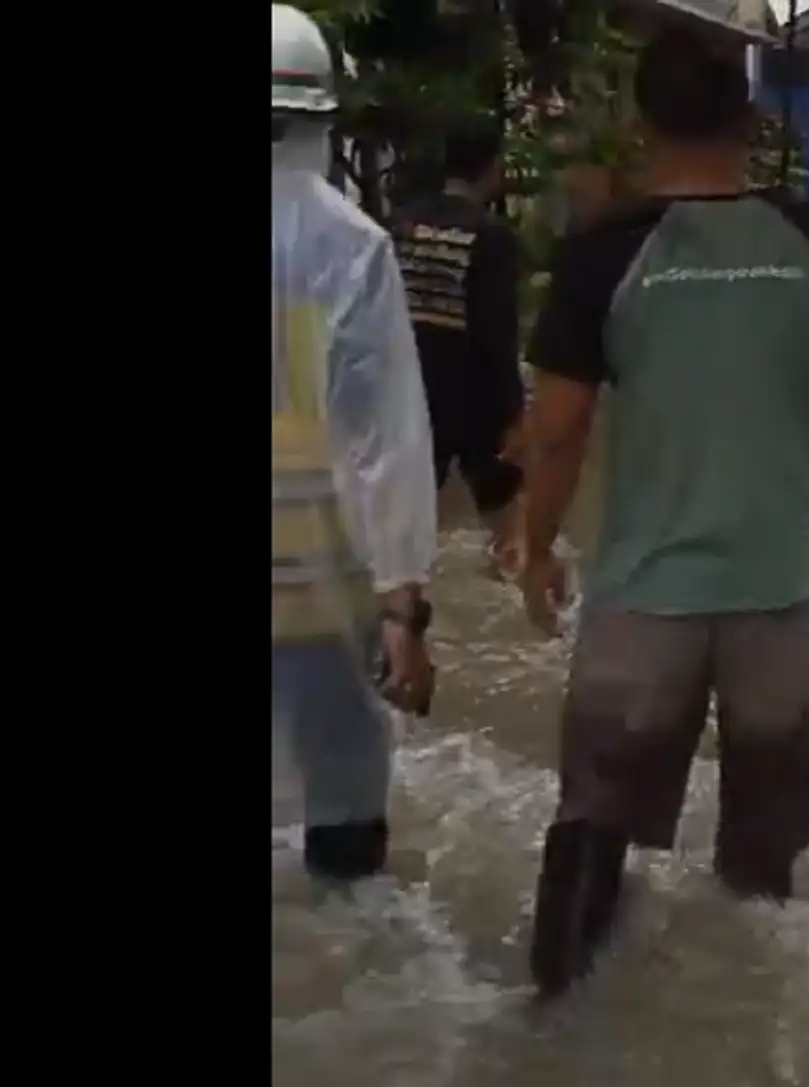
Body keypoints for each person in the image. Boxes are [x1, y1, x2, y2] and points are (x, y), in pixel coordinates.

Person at [515, 26, 809, 995]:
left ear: (639, 120)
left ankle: (544, 1030)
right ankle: (742, 1035)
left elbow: (558, 430)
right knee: (760, 866)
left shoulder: (601, 249)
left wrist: (534, 549)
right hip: (783, 592)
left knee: (592, 830)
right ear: (749, 118)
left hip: (645, 595)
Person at [272, 3, 438, 881]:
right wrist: (403, 608)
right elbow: (389, 444)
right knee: (340, 833)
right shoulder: (355, 250)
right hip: (321, 593)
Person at [391, 121, 526, 573]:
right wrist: (514, 415)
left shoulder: (404, 225)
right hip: (474, 398)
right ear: (492, 168)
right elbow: (497, 333)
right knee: (504, 523)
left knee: (405, 526)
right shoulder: (490, 236)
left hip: (410, 391)